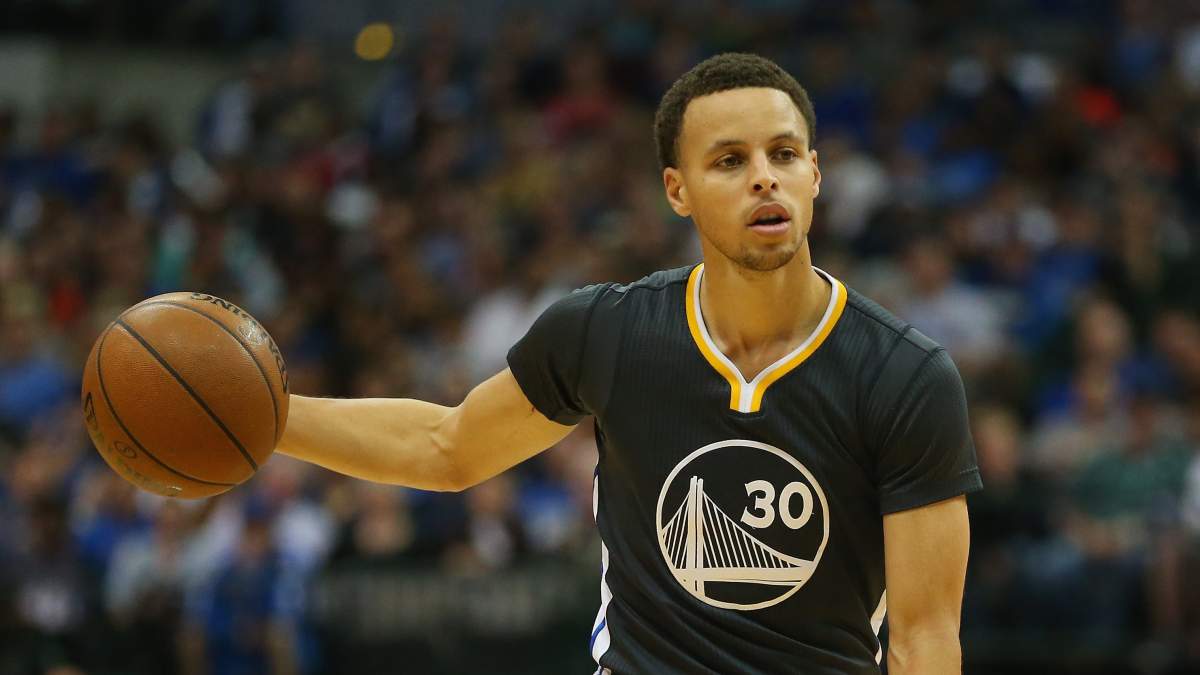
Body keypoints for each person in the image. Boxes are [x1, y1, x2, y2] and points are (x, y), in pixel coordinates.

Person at [278, 53, 981, 675]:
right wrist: (269, 417)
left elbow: (923, 638)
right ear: (677, 190)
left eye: (784, 154)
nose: (765, 179)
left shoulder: (905, 376)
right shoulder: (607, 331)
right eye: (730, 161)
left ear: (816, 173)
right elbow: (446, 446)